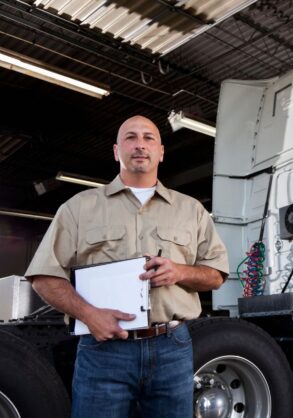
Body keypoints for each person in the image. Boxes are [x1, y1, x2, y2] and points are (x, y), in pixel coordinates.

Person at [25, 115, 229, 418]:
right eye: (130, 137)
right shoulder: (79, 208)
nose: (140, 145)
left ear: (161, 151)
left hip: (171, 348)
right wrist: (89, 315)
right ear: (116, 150)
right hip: (104, 350)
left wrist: (180, 271)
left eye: (149, 138)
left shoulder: (192, 211)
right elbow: (44, 276)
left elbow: (215, 275)